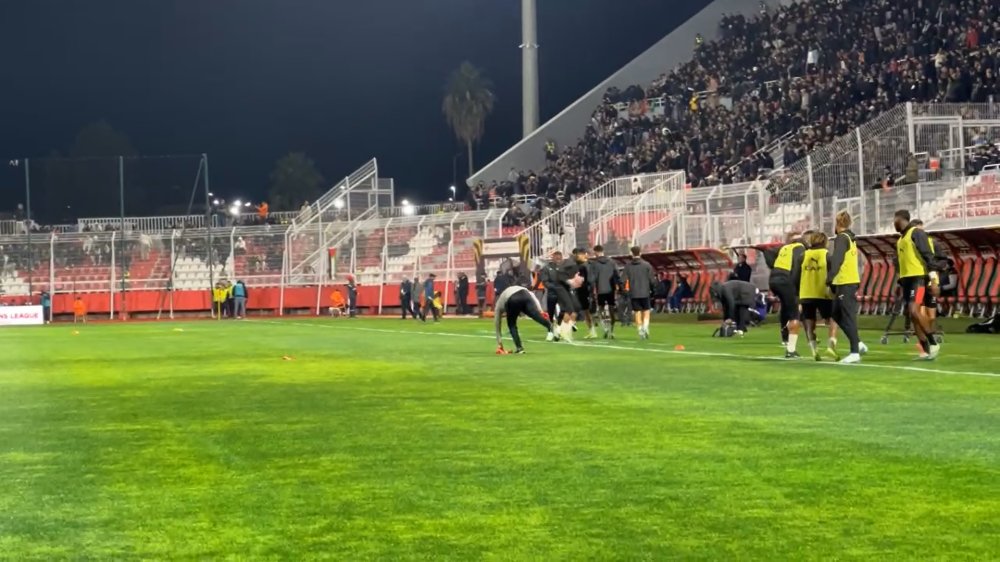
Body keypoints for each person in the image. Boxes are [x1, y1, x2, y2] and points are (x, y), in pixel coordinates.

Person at [893, 210, 942, 360]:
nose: (894, 223)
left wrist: (933, 279)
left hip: (918, 280)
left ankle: (933, 342)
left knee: (914, 310)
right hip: (907, 281)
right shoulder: (900, 240)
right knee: (912, 315)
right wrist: (899, 281)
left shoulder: (916, 233)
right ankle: (925, 350)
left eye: (895, 220)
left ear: (902, 219)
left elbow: (928, 256)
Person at [827, 211, 867, 364]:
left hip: (845, 281)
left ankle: (854, 352)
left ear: (837, 224)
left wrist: (829, 279)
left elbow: (837, 260)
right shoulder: (850, 238)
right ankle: (858, 342)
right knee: (836, 314)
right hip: (847, 280)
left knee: (847, 316)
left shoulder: (842, 238)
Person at [766, 231, 808, 358]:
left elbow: (767, 252)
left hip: (773, 279)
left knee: (785, 307)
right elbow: (796, 269)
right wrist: (798, 290)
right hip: (786, 279)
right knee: (795, 313)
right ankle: (791, 350)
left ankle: (785, 337)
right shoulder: (800, 248)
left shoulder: (784, 247)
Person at [799, 231, 839, 361]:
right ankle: (831, 346)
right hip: (822, 293)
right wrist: (834, 290)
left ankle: (813, 350)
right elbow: (833, 274)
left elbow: (795, 276)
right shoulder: (826, 255)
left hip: (806, 293)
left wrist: (797, 295)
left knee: (810, 321)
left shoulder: (802, 255)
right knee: (834, 318)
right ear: (824, 241)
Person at [494, 284, 553, 354]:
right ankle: (550, 327)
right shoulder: (512, 291)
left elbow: (497, 324)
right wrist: (540, 311)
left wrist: (499, 343)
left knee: (511, 324)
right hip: (525, 294)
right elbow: (533, 296)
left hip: (513, 298)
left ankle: (519, 348)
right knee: (535, 315)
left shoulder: (498, 306)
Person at [622, 246, 657, 339]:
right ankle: (646, 327)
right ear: (640, 253)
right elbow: (652, 280)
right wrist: (654, 290)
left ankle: (640, 330)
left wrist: (624, 290)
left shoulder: (628, 266)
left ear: (631, 254)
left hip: (634, 293)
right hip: (645, 292)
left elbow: (623, 280)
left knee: (637, 312)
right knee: (646, 310)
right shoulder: (647, 265)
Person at [590, 245, 621, 339]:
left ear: (596, 252)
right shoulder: (612, 262)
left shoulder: (594, 264)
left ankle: (605, 328)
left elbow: (592, 278)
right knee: (612, 309)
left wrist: (591, 288)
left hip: (600, 289)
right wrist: (618, 287)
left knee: (600, 309)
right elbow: (617, 275)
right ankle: (611, 330)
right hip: (611, 289)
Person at [573, 249, 597, 339]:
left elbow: (590, 279)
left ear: (584, 255)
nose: (576, 256)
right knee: (585, 311)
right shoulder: (580, 265)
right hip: (581, 289)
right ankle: (591, 330)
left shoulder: (587, 266)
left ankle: (592, 330)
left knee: (586, 310)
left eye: (578, 255)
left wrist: (591, 290)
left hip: (586, 290)